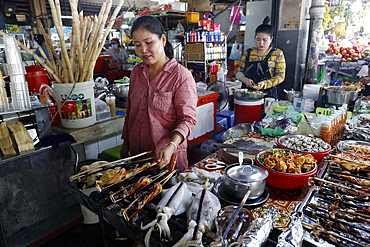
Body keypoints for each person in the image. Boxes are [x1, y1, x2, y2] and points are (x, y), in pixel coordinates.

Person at [120, 16, 197, 172]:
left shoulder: (181, 76)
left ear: (162, 40)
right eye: (137, 45)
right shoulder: (136, 72)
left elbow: (187, 119)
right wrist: (126, 143)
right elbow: (131, 111)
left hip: (166, 159)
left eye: (149, 43)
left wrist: (172, 145)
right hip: (138, 158)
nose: (143, 50)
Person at [236, 16, 286, 99]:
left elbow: (280, 76)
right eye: (258, 39)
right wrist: (245, 80)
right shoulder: (248, 53)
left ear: (271, 39)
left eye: (264, 40)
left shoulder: (277, 54)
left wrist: (265, 83)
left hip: (268, 95)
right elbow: (238, 72)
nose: (261, 43)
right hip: (248, 94)